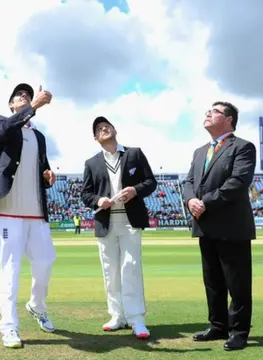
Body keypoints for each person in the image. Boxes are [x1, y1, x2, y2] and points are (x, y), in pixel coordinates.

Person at [0, 83, 57, 348]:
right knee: (10, 270)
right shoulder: (1, 122)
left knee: (46, 261)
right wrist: (32, 107)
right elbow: (4, 131)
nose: (24, 97)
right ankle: (9, 327)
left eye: (27, 95)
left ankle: (36, 305)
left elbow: (43, 169)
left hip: (36, 212)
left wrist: (48, 176)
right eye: (19, 96)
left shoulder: (40, 137)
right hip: (10, 210)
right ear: (11, 105)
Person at [182, 101, 256, 351]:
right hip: (205, 225)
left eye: (214, 111)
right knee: (212, 280)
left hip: (232, 226)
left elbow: (238, 182)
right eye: (208, 110)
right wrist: (191, 199)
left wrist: (205, 202)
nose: (208, 113)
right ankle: (218, 325)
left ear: (229, 120)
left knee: (238, 283)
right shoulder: (200, 151)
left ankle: (239, 331)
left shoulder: (244, 147)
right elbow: (189, 181)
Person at [81, 116, 157, 339]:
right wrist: (98, 200)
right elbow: (85, 194)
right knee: (110, 271)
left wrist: (134, 190)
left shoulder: (134, 153)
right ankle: (117, 316)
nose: (103, 128)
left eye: (106, 125)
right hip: (106, 222)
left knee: (130, 268)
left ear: (115, 129)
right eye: (98, 129)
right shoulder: (91, 163)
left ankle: (137, 319)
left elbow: (150, 182)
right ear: (96, 138)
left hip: (130, 221)